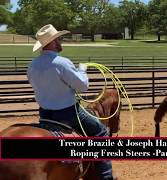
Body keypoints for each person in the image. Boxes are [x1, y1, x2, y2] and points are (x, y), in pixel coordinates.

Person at [27, 24, 114, 180]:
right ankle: (105, 177)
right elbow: (83, 86)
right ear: (53, 42)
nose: (61, 41)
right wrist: (81, 70)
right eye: (59, 38)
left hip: (45, 115)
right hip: (68, 113)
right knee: (101, 133)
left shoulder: (33, 65)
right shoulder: (62, 62)